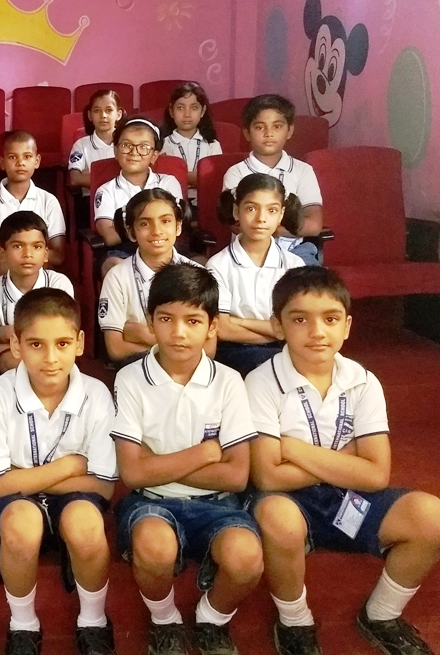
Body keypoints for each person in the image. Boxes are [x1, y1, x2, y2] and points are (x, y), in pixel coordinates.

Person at [246, 267, 440, 655]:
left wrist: (291, 448)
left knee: (432, 517)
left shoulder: (363, 381)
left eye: (330, 319)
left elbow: (375, 475)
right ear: (277, 326)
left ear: (347, 326)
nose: (317, 332)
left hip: (350, 497)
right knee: (277, 516)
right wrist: (346, 459)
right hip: (290, 500)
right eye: (300, 319)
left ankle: (381, 615)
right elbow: (268, 477)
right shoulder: (261, 382)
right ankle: (295, 621)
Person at [112, 263, 262, 655]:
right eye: (166, 319)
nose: (179, 333)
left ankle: (212, 618)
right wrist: (204, 453)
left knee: (247, 559)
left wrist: (158, 463)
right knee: (154, 547)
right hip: (151, 501)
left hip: (219, 504)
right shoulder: (130, 378)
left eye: (193, 321)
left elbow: (236, 476)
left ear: (212, 326)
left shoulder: (228, 381)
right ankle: (165, 620)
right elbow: (132, 474)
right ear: (150, 321)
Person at [0, 289, 118, 655]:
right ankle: (23, 625)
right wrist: (69, 466)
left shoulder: (97, 395)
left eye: (63, 344)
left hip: (65, 499)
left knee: (86, 523)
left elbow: (103, 486)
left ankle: (93, 621)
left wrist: (22, 476)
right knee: (21, 524)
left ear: (80, 343)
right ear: (16, 345)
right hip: (14, 506)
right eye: (36, 344)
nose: (51, 358)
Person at [206, 174, 304, 377]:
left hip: (286, 349)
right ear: (236, 211)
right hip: (235, 350)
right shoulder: (218, 265)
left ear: (281, 214)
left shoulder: (294, 265)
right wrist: (279, 332)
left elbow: (298, 325)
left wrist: (240, 321)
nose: (261, 219)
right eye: (251, 208)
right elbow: (223, 329)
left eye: (272, 210)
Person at [97, 189, 202, 366]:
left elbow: (208, 348)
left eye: (165, 221)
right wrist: (180, 347)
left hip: (189, 368)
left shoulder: (198, 274)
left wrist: (143, 335)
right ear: (131, 232)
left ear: (178, 226)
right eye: (145, 224)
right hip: (138, 367)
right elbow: (116, 349)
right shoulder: (117, 277)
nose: (157, 231)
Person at [222, 95, 323, 265]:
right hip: (249, 251)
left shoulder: (302, 171)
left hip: (295, 250)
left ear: (289, 130)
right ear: (247, 133)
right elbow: (237, 224)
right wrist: (285, 226)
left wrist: (266, 226)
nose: (269, 134)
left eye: (277, 126)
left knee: (311, 279)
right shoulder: (236, 173)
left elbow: (313, 225)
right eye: (260, 127)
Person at [0, 212, 74, 374]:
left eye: (37, 247)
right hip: (10, 367)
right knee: (11, 360)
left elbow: (64, 338)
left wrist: (10, 334)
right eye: (18, 246)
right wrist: (31, 342)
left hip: (54, 358)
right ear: (3, 253)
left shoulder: (59, 284)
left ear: (46, 254)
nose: (28, 254)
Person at [94, 117, 183, 275]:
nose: (134, 152)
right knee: (113, 266)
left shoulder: (168, 183)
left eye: (144, 147)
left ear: (154, 155)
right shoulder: (106, 190)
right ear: (115, 151)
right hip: (125, 252)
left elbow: (176, 225)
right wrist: (149, 229)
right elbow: (109, 235)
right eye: (126, 145)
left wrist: (136, 226)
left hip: (165, 246)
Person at [0, 130, 66, 278]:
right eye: (12, 157)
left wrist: (2, 246)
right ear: (2, 162)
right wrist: (34, 249)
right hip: (0, 274)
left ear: (37, 161)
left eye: (27, 156)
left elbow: (58, 256)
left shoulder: (49, 201)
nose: (20, 162)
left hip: (37, 274)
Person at [160, 82, 221, 203]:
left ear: (202, 111)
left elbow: (213, 179)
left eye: (194, 108)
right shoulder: (163, 144)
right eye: (180, 108)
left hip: (206, 201)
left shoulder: (212, 144)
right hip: (173, 201)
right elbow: (167, 178)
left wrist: (185, 176)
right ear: (171, 111)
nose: (187, 114)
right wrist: (197, 177)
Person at [68, 88, 125, 194]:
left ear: (118, 114)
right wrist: (118, 179)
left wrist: (92, 177)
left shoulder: (128, 143)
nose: (103, 115)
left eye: (109, 110)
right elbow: (75, 178)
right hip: (92, 199)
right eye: (97, 111)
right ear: (90, 115)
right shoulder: (81, 145)